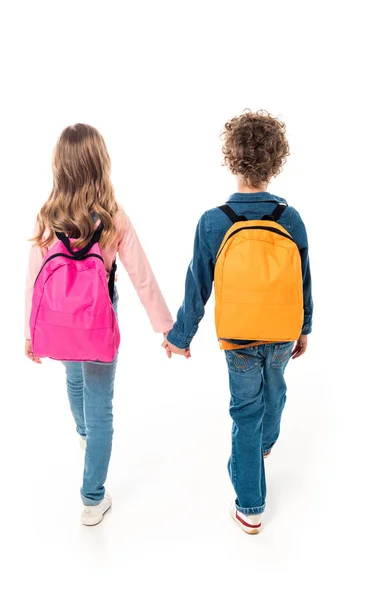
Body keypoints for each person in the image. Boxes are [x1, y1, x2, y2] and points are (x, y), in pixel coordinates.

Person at [163, 110, 313, 534]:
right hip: (283, 330)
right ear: (276, 162)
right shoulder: (291, 218)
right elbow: (303, 279)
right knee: (276, 392)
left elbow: (198, 286)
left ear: (231, 161)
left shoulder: (213, 221)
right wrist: (304, 326)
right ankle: (263, 446)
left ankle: (250, 506)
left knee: (245, 413)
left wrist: (180, 335)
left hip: (239, 336)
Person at [25, 124, 173, 526]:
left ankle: (83, 432)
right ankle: (93, 499)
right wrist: (165, 326)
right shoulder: (112, 217)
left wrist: (29, 332)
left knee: (73, 379)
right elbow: (141, 275)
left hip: (57, 319)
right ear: (99, 162)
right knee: (100, 404)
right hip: (97, 316)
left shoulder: (49, 215)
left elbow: (36, 278)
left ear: (61, 165)